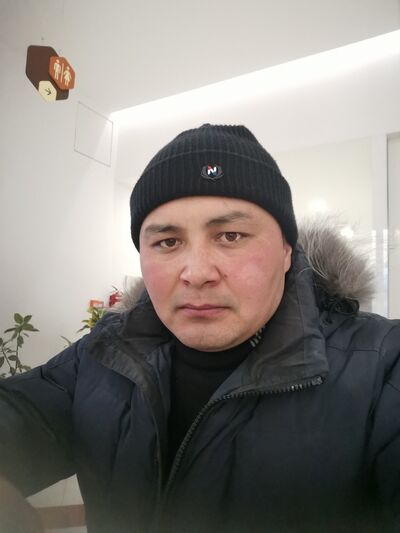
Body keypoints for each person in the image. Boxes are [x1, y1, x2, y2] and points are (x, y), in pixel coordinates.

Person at [0, 124, 399, 533]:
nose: (196, 273)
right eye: (168, 242)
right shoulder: (104, 353)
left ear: (285, 251)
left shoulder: (383, 366)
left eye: (230, 235)